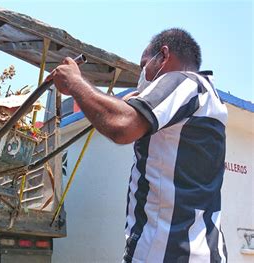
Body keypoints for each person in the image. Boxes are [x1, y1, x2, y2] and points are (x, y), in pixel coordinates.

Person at [49, 28, 228, 262]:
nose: (142, 74)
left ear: (163, 56)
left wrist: (75, 82)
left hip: (167, 253)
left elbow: (122, 125)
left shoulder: (182, 81)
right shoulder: (209, 97)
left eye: (144, 64)